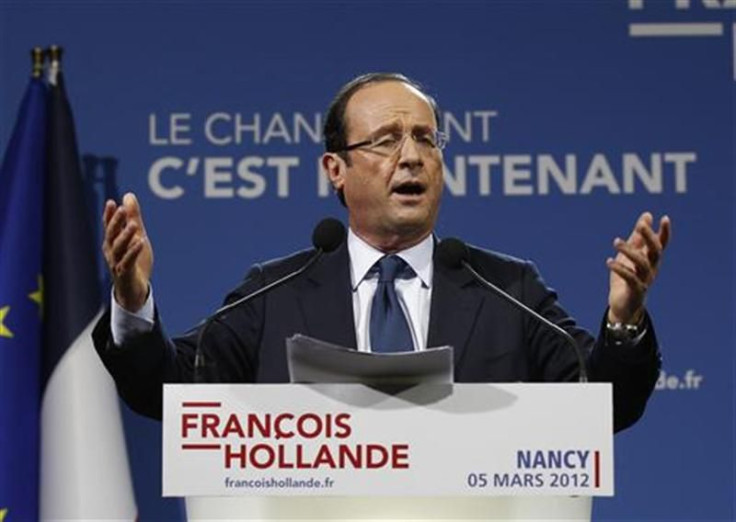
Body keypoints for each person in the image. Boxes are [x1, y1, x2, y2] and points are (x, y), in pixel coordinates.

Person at [93, 73, 671, 432]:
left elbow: (603, 407)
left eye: (425, 138)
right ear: (335, 170)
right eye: (386, 141)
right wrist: (132, 300)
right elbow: (169, 394)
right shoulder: (275, 294)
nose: (412, 156)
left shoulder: (508, 290)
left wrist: (624, 323)